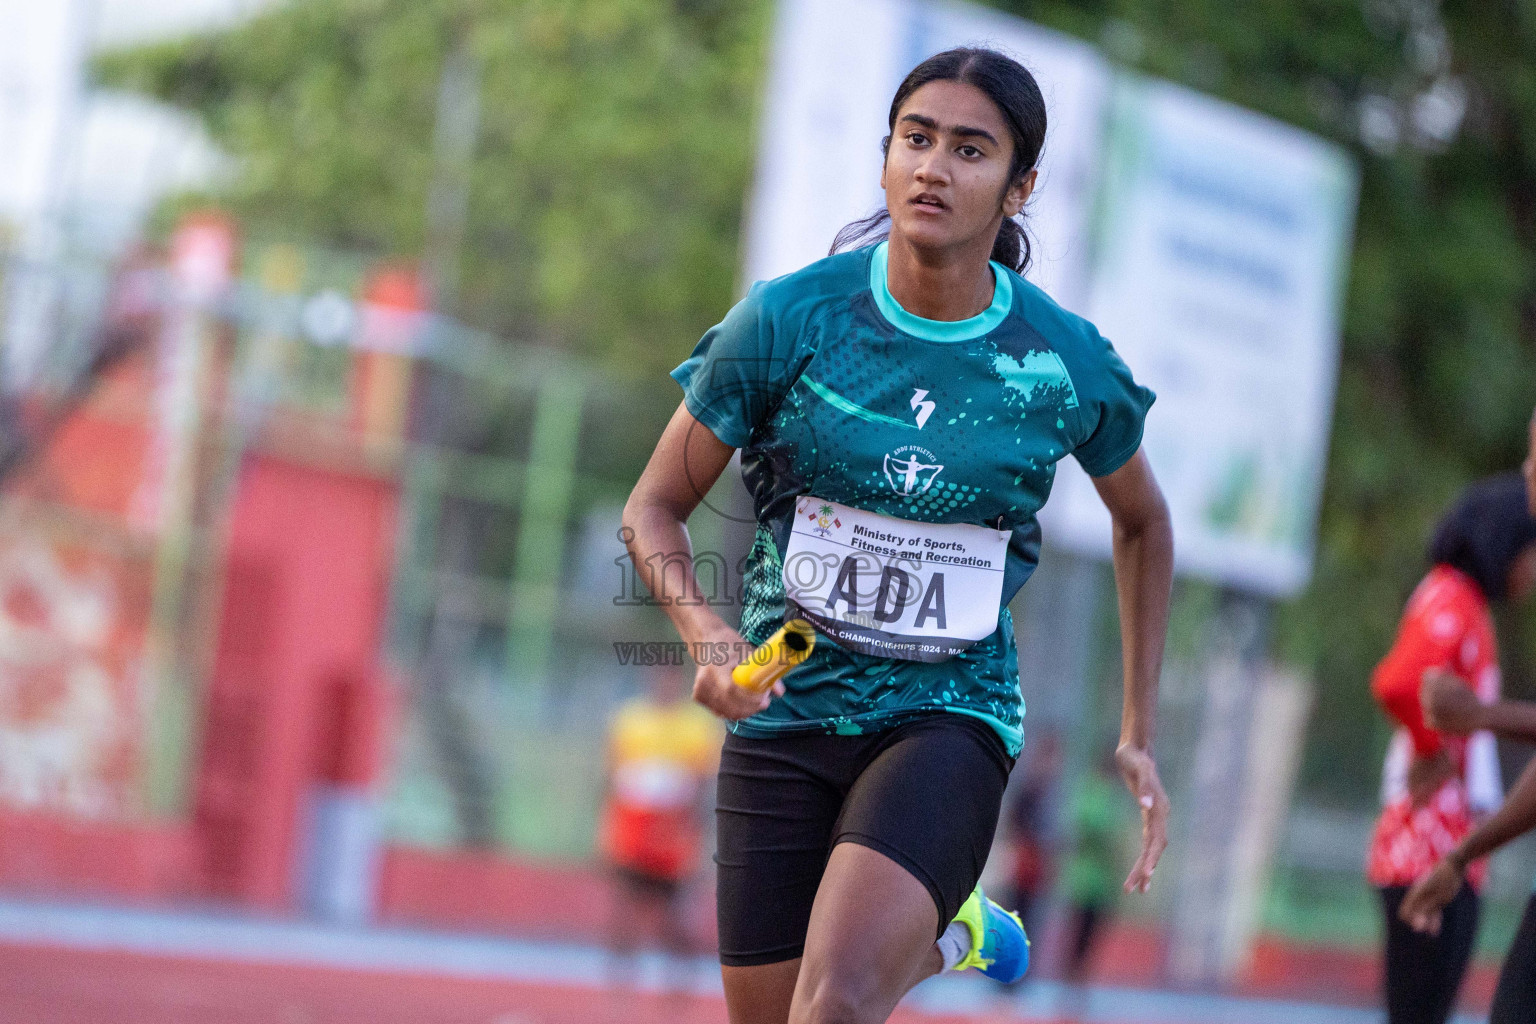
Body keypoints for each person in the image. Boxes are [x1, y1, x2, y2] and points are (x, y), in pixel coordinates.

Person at [622, 47, 1174, 1024]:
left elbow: (1142, 520)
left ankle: (920, 920)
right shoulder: (789, 320)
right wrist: (711, 639)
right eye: (916, 140)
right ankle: (955, 934)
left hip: (946, 713)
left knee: (831, 1005)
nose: (934, 167)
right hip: (783, 707)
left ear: (1019, 187)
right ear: (885, 157)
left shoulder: (1055, 359)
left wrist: (1135, 730)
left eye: (970, 150)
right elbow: (653, 506)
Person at [1365, 473, 1536, 1024]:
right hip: (1428, 841)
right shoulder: (1453, 597)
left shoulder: (1468, 607)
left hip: (1450, 842)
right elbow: (1398, 681)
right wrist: (1430, 747)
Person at [598, 666, 722, 988]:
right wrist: (605, 830)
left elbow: (705, 786)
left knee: (676, 917)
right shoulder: (629, 720)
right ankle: (619, 985)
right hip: (632, 828)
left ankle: (680, 982)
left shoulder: (697, 726)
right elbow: (611, 779)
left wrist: (694, 832)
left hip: (674, 832)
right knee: (624, 909)